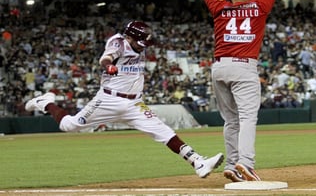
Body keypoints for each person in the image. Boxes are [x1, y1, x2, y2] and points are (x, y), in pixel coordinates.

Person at [25, 20, 223, 178]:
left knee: (164, 131)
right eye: (140, 42)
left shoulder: (139, 43)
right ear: (129, 36)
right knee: (69, 126)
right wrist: (108, 66)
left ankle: (198, 162)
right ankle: (46, 102)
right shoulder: (118, 42)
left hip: (134, 103)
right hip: (109, 99)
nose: (142, 47)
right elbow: (106, 57)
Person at [186, 0, 279, 182]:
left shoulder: (220, 7)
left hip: (220, 67)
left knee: (231, 121)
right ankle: (246, 164)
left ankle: (232, 163)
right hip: (243, 66)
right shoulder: (260, 6)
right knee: (248, 118)